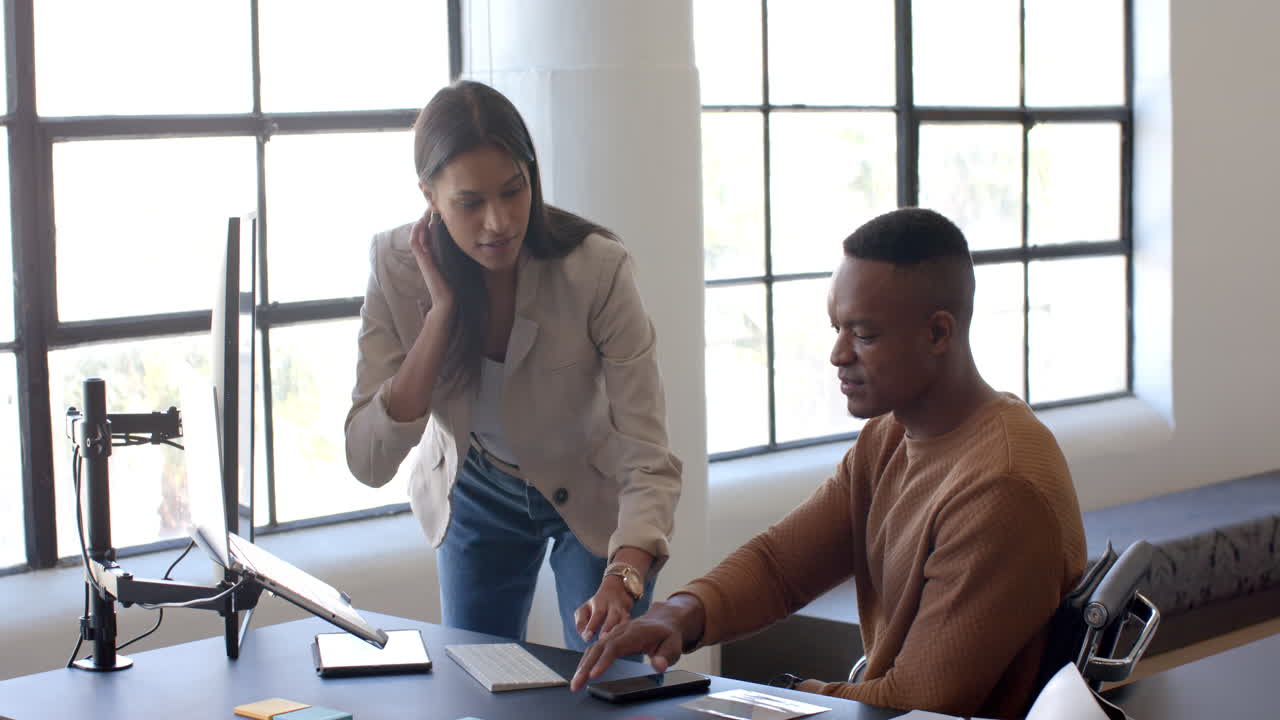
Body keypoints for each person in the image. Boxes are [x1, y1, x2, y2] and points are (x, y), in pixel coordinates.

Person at [572, 208, 1087, 719]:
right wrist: (678, 615)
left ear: (938, 334)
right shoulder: (886, 438)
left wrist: (774, 697)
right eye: (837, 328)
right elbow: (780, 567)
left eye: (863, 335)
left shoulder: (1001, 486)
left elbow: (914, 706)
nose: (838, 354)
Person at [345, 80, 683, 652]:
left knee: (602, 677)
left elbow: (648, 456)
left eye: (514, 190)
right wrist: (442, 315)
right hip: (475, 486)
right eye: (470, 202)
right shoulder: (395, 265)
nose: (499, 222)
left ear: (533, 174)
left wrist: (625, 575)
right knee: (478, 683)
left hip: (590, 482)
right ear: (429, 194)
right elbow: (368, 458)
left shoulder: (596, 268)